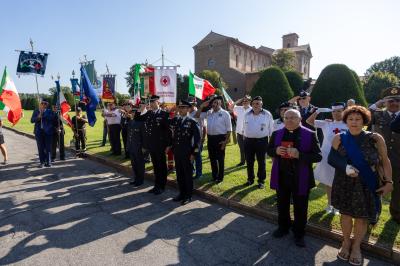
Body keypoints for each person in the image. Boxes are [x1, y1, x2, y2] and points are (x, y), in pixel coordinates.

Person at [328, 106, 393, 265]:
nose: (354, 122)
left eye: (358, 119)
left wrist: (389, 182)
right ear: (346, 121)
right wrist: (346, 167)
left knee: (362, 218)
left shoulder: (375, 138)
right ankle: (346, 242)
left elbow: (385, 161)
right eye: (351, 119)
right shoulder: (339, 138)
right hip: (344, 183)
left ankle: (356, 246)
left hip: (367, 183)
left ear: (364, 121)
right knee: (346, 215)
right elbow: (331, 158)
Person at [267, 109, 322, 247]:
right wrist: (275, 151)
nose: (289, 120)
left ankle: (299, 233)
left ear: (300, 119)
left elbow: (318, 156)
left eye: (293, 117)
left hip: (301, 177)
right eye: (286, 117)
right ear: (283, 119)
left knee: (300, 207)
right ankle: (283, 227)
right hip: (282, 175)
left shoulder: (310, 134)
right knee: (282, 204)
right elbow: (268, 150)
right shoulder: (276, 133)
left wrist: (300, 155)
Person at [306, 102, 348, 214]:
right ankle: (330, 204)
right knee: (328, 181)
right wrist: (318, 111)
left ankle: (338, 205)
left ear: (344, 111)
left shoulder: (349, 124)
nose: (336, 113)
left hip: (342, 157)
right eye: (334, 111)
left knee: (340, 182)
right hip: (327, 156)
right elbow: (309, 121)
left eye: (339, 111)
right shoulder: (326, 124)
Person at [368, 86, 400, 223]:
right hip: (379, 160)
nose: (394, 103)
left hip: (398, 160)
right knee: (375, 187)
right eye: (390, 100)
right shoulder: (377, 115)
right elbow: (361, 115)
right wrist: (377, 103)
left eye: (398, 100)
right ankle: (373, 213)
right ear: (385, 101)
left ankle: (397, 215)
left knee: (398, 191)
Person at [168, 100, 201, 205]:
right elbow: (168, 125)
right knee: (179, 174)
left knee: (187, 175)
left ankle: (188, 195)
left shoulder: (192, 122)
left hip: (187, 154)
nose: (181, 109)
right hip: (177, 152)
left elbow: (197, 140)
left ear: (188, 109)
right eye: (180, 107)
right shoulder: (176, 120)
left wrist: (194, 154)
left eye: (183, 107)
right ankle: (181, 193)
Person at [139, 95, 170, 195]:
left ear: (158, 103)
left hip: (161, 146)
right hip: (152, 145)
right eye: (151, 102)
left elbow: (168, 132)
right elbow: (137, 118)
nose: (152, 104)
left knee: (161, 166)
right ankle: (156, 185)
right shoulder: (149, 113)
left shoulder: (164, 114)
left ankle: (162, 186)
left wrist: (168, 145)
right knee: (156, 166)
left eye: (154, 102)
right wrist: (142, 108)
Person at [197, 95, 232, 183]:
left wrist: (225, 141)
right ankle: (214, 176)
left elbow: (229, 129)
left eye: (216, 102)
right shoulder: (209, 112)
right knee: (212, 158)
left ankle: (220, 178)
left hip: (220, 138)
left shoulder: (225, 113)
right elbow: (197, 116)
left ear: (220, 103)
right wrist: (201, 106)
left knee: (220, 159)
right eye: (213, 102)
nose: (214, 104)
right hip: (210, 138)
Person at [242, 96, 274, 189]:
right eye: (254, 103)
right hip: (248, 141)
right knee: (249, 161)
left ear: (261, 104)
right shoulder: (246, 114)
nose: (255, 105)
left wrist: (271, 143)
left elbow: (271, 130)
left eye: (258, 103)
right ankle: (250, 179)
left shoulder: (267, 114)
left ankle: (261, 181)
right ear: (251, 104)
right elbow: (244, 128)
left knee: (261, 162)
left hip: (262, 141)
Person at [229, 95, 252, 166]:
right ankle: (242, 161)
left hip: (248, 133)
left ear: (250, 102)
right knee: (241, 148)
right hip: (239, 132)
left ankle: (249, 162)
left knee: (248, 149)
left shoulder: (252, 110)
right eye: (244, 101)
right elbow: (230, 107)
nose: (244, 102)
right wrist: (238, 101)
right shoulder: (239, 108)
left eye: (246, 100)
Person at [31, 100, 55, 167]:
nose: (44, 105)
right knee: (40, 148)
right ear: (40, 104)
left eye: (45, 104)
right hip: (39, 132)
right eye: (42, 103)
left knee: (48, 148)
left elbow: (52, 118)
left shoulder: (49, 111)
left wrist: (43, 114)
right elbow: (32, 120)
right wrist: (38, 116)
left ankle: (49, 162)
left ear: (47, 105)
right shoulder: (36, 111)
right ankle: (42, 162)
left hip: (48, 132)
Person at [126, 104, 146, 187]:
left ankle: (140, 180)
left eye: (134, 112)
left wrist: (144, 147)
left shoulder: (141, 123)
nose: (133, 114)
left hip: (138, 147)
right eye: (132, 112)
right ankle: (136, 178)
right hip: (131, 146)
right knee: (134, 164)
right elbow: (128, 135)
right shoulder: (131, 122)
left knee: (140, 165)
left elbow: (144, 136)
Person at [189, 97, 206, 179]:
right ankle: (192, 170)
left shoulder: (199, 113)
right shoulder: (187, 113)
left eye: (191, 104)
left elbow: (204, 127)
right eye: (189, 105)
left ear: (194, 105)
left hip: (197, 141)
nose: (190, 106)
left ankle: (199, 174)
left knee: (197, 157)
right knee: (190, 156)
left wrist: (203, 139)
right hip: (189, 140)